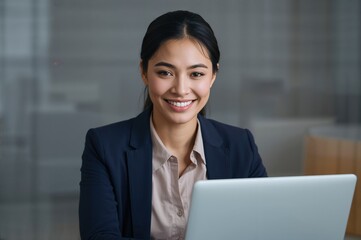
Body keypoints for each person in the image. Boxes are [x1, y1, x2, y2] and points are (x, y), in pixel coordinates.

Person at [79, 10, 267, 240]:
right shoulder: (105, 147)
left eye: (196, 73)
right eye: (165, 72)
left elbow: (261, 230)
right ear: (144, 72)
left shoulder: (241, 146)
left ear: (213, 76)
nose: (180, 88)